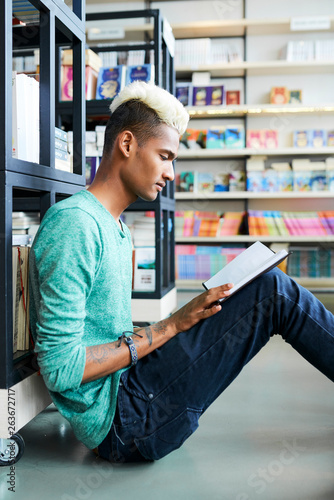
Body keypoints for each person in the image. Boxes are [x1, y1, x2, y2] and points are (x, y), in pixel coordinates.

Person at [29, 81, 334, 464]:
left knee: (253, 285)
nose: (172, 173)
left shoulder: (115, 228)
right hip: (124, 420)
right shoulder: (76, 224)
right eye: (165, 156)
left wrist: (182, 320)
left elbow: (103, 334)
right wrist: (169, 326)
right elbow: (60, 368)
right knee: (273, 290)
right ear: (127, 145)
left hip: (132, 391)